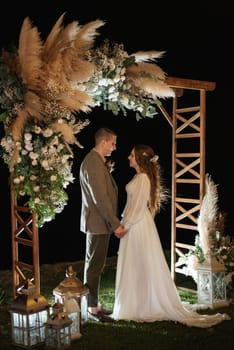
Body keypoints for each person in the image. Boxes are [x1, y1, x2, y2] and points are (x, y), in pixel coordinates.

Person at [112, 144, 230, 327]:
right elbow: (132, 204)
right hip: (134, 223)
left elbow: (137, 207)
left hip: (137, 225)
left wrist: (125, 226)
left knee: (139, 263)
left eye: (131, 155)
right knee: (136, 263)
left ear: (140, 159)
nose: (129, 157)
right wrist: (123, 221)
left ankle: (139, 304)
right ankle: (135, 302)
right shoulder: (139, 176)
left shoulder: (143, 179)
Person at [79, 127, 127, 322]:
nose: (114, 147)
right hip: (98, 223)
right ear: (103, 142)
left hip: (99, 222)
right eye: (113, 143)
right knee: (94, 266)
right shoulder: (92, 162)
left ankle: (93, 304)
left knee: (95, 265)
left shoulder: (96, 161)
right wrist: (115, 224)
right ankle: (92, 308)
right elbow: (100, 198)